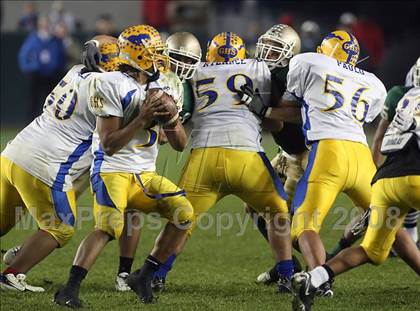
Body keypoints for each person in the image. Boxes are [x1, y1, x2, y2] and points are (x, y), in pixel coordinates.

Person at [53, 25, 194, 307]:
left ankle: (144, 275)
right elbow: (109, 143)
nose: (160, 57)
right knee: (109, 227)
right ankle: (69, 288)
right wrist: (142, 119)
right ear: (138, 54)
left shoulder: (161, 86)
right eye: (154, 52)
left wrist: (172, 119)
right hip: (111, 170)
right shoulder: (109, 83)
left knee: (184, 214)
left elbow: (179, 144)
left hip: (144, 174)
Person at [243, 30, 387, 287]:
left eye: (276, 49)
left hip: (312, 154)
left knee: (298, 222)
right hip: (312, 152)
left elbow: (294, 113)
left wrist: (262, 110)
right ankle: (289, 264)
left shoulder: (307, 65)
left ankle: (316, 275)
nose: (268, 54)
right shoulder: (369, 81)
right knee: (255, 207)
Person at [0, 38, 120, 292]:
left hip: (13, 152)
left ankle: (25, 252)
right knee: (60, 227)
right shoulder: (107, 85)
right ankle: (11, 274)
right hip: (45, 164)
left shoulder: (75, 71)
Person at [291, 85, 420, 311]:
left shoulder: (408, 96)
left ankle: (315, 279)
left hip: (385, 183)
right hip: (415, 176)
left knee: (372, 251)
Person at [18, 16, 66, 121]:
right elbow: (23, 56)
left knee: (51, 103)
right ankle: (29, 125)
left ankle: (49, 125)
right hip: (36, 74)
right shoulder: (32, 39)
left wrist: (57, 69)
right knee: (33, 102)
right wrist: (29, 68)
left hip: (52, 75)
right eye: (43, 24)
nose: (45, 26)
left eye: (47, 24)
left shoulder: (55, 40)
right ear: (39, 25)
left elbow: (61, 57)